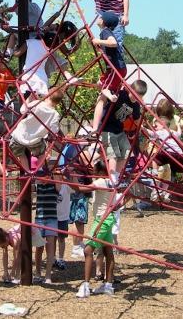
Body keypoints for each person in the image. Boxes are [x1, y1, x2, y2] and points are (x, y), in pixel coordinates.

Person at [75, 160, 116, 298]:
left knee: (88, 250)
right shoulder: (111, 181)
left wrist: (68, 180)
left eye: (94, 170)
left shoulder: (100, 182)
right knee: (107, 250)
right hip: (109, 217)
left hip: (102, 219)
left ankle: (86, 286)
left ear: (100, 171)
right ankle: (108, 285)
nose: (92, 172)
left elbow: (80, 189)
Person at [97, 81, 146, 175]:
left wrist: (140, 129)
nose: (135, 98)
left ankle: (116, 175)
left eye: (138, 97)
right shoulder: (121, 94)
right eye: (133, 94)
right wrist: (110, 96)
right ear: (129, 90)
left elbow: (137, 119)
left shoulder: (136, 105)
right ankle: (112, 177)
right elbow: (105, 91)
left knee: (126, 152)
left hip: (119, 129)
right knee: (113, 153)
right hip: (107, 126)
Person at [10, 89, 63, 172]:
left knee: (21, 155)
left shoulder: (37, 103)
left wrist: (30, 97)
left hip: (18, 137)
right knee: (43, 154)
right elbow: (54, 130)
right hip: (35, 141)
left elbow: (22, 110)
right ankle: (36, 170)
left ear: (48, 95)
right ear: (57, 103)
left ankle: (27, 171)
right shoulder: (55, 114)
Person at [91, 12, 127, 130]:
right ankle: (108, 94)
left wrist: (98, 41)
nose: (99, 18)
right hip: (114, 69)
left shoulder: (105, 32)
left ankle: (95, 128)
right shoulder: (104, 32)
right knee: (99, 87)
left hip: (115, 69)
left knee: (102, 97)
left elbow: (113, 43)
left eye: (101, 17)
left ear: (104, 22)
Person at [34, 170, 59, 284]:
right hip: (39, 219)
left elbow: (59, 182)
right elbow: (30, 184)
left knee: (50, 248)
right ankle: (38, 272)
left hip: (51, 220)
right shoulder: (38, 186)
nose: (42, 179)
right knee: (39, 248)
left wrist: (55, 173)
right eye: (40, 177)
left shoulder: (54, 186)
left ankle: (48, 275)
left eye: (44, 177)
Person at [55, 181, 71, 271]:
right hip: (52, 216)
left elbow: (75, 188)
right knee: (51, 239)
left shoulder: (66, 185)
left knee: (61, 239)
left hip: (63, 217)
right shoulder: (51, 183)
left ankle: (61, 259)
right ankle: (52, 258)